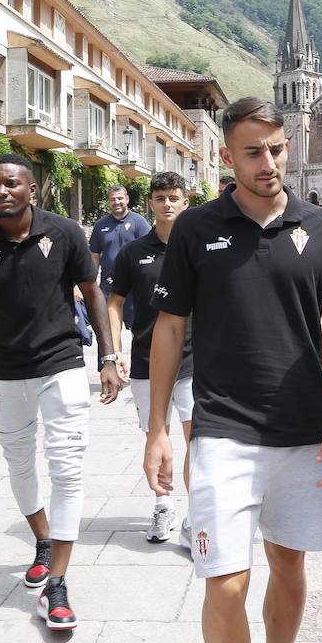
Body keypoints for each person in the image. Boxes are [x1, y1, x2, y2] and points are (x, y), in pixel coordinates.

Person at [143, 97, 322, 643]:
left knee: (289, 564)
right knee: (224, 581)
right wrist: (157, 430)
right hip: (223, 429)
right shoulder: (198, 228)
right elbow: (168, 330)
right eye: (253, 153)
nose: (269, 165)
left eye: (277, 150)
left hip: (301, 428)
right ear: (227, 158)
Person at [0, 154, 124, 631]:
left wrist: (107, 357)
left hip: (61, 363)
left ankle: (58, 584)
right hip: (5, 370)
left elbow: (91, 293)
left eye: (12, 183)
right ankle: (44, 541)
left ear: (33, 189)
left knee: (67, 464)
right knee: (19, 461)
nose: (2, 191)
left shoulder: (65, 232)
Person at [107, 171, 196, 545]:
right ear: (150, 204)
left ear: (185, 201)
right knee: (155, 436)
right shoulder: (133, 252)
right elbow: (113, 303)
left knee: (201, 440)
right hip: (145, 361)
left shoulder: (198, 247)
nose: (167, 204)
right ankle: (163, 505)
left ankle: (198, 514)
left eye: (174, 197)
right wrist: (113, 353)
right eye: (160, 198)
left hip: (195, 360)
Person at [90, 184, 151, 330]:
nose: (116, 202)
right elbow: (94, 256)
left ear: (127, 199)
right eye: (112, 199)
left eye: (120, 198)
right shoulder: (100, 225)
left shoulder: (139, 222)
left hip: (134, 287)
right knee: (108, 331)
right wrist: (90, 282)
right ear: (108, 202)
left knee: (139, 331)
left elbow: (149, 252)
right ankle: (112, 354)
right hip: (108, 287)